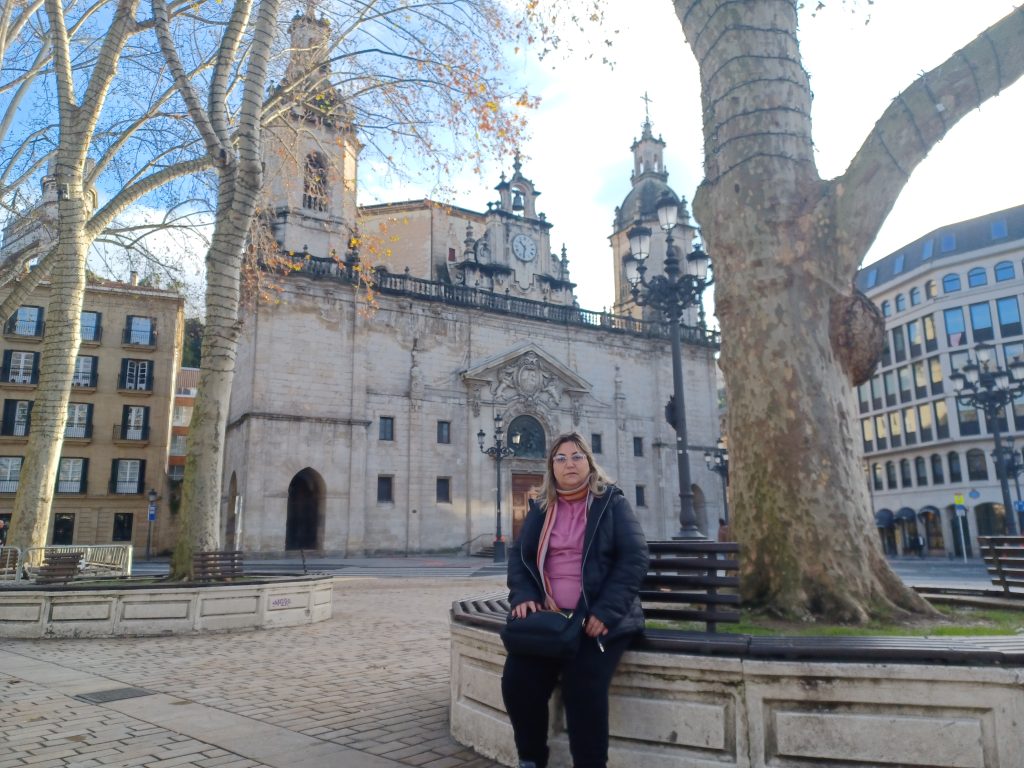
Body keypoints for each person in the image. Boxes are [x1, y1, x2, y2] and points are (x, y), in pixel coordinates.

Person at [502, 432, 649, 768]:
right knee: (518, 680)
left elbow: (635, 557)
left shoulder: (611, 503)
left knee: (583, 686)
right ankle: (531, 760)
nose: (569, 463)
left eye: (576, 456)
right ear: (551, 467)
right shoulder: (541, 508)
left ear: (589, 463)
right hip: (552, 618)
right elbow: (520, 557)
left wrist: (605, 611)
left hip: (597, 619)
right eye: (561, 458)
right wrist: (524, 595)